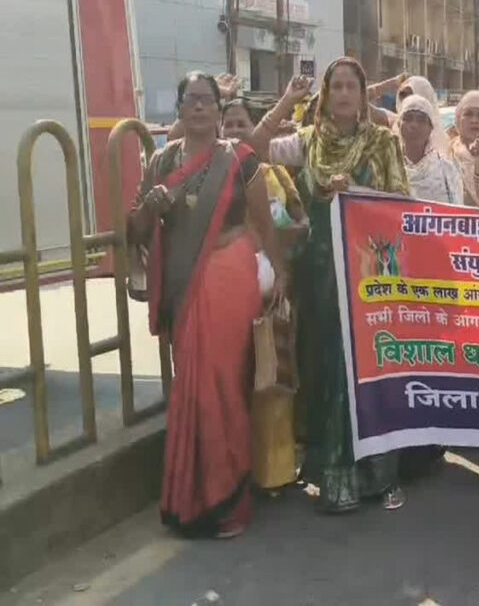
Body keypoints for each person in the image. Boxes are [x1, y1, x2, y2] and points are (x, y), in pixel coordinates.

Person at [127, 72, 287, 538]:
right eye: (189, 100)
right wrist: (150, 210)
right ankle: (189, 499)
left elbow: (264, 222)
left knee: (220, 385)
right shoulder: (160, 162)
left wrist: (280, 274)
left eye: (206, 100)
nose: (198, 107)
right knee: (191, 390)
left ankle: (227, 500)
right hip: (183, 283)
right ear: (178, 109)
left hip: (227, 274)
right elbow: (136, 231)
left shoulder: (239, 160)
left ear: (219, 109)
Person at [251, 58, 410, 514]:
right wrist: (286, 101)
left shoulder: (381, 142)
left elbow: (402, 203)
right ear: (325, 94)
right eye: (335, 86)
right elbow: (252, 151)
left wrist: (358, 191)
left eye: (350, 86)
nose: (342, 94)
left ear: (363, 95)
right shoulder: (307, 144)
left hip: (368, 278)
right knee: (323, 368)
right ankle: (329, 470)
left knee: (360, 370)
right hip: (320, 277)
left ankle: (377, 476)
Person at [221, 98, 309, 493]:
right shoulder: (214, 171)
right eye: (230, 125)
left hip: (272, 284)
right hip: (227, 286)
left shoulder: (274, 173)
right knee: (234, 379)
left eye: (242, 124)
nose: (235, 131)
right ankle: (236, 470)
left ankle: (276, 470)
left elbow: (300, 217)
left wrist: (281, 254)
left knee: (273, 376)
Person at [398, 93, 464, 204]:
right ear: (399, 124)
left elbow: (457, 213)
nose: (414, 125)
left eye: (421, 120)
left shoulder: (446, 170)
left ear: (431, 128)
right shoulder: (387, 167)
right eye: (408, 118)